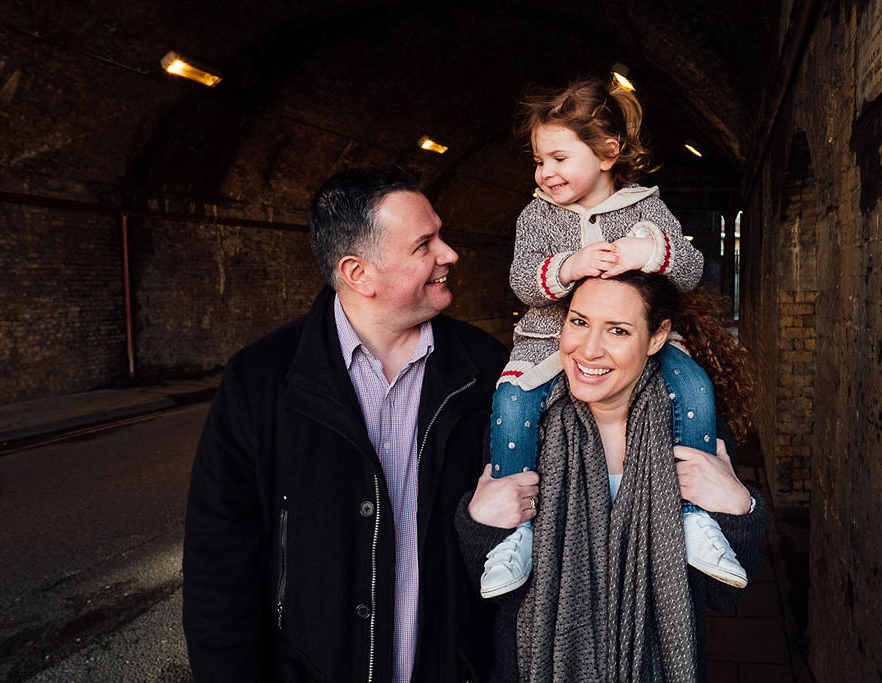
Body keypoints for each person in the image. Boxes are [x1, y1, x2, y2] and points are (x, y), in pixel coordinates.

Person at [182, 166, 508, 682]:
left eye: (440, 235)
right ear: (359, 273)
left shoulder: (486, 370)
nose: (450, 254)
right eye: (425, 245)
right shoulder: (261, 380)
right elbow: (218, 566)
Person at [481, 77, 746, 599]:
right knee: (511, 403)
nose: (545, 172)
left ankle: (694, 518)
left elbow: (690, 267)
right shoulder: (538, 214)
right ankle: (517, 535)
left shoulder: (645, 206)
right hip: (545, 342)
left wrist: (647, 253)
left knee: (693, 387)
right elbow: (519, 278)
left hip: (636, 342)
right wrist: (569, 265)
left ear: (607, 153)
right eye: (539, 161)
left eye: (558, 157)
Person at [457, 272, 765, 682]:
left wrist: (739, 507)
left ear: (657, 338)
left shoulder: (692, 426)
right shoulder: (521, 427)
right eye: (579, 322)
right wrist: (479, 523)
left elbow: (724, 595)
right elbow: (489, 592)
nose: (589, 349)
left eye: (617, 330)